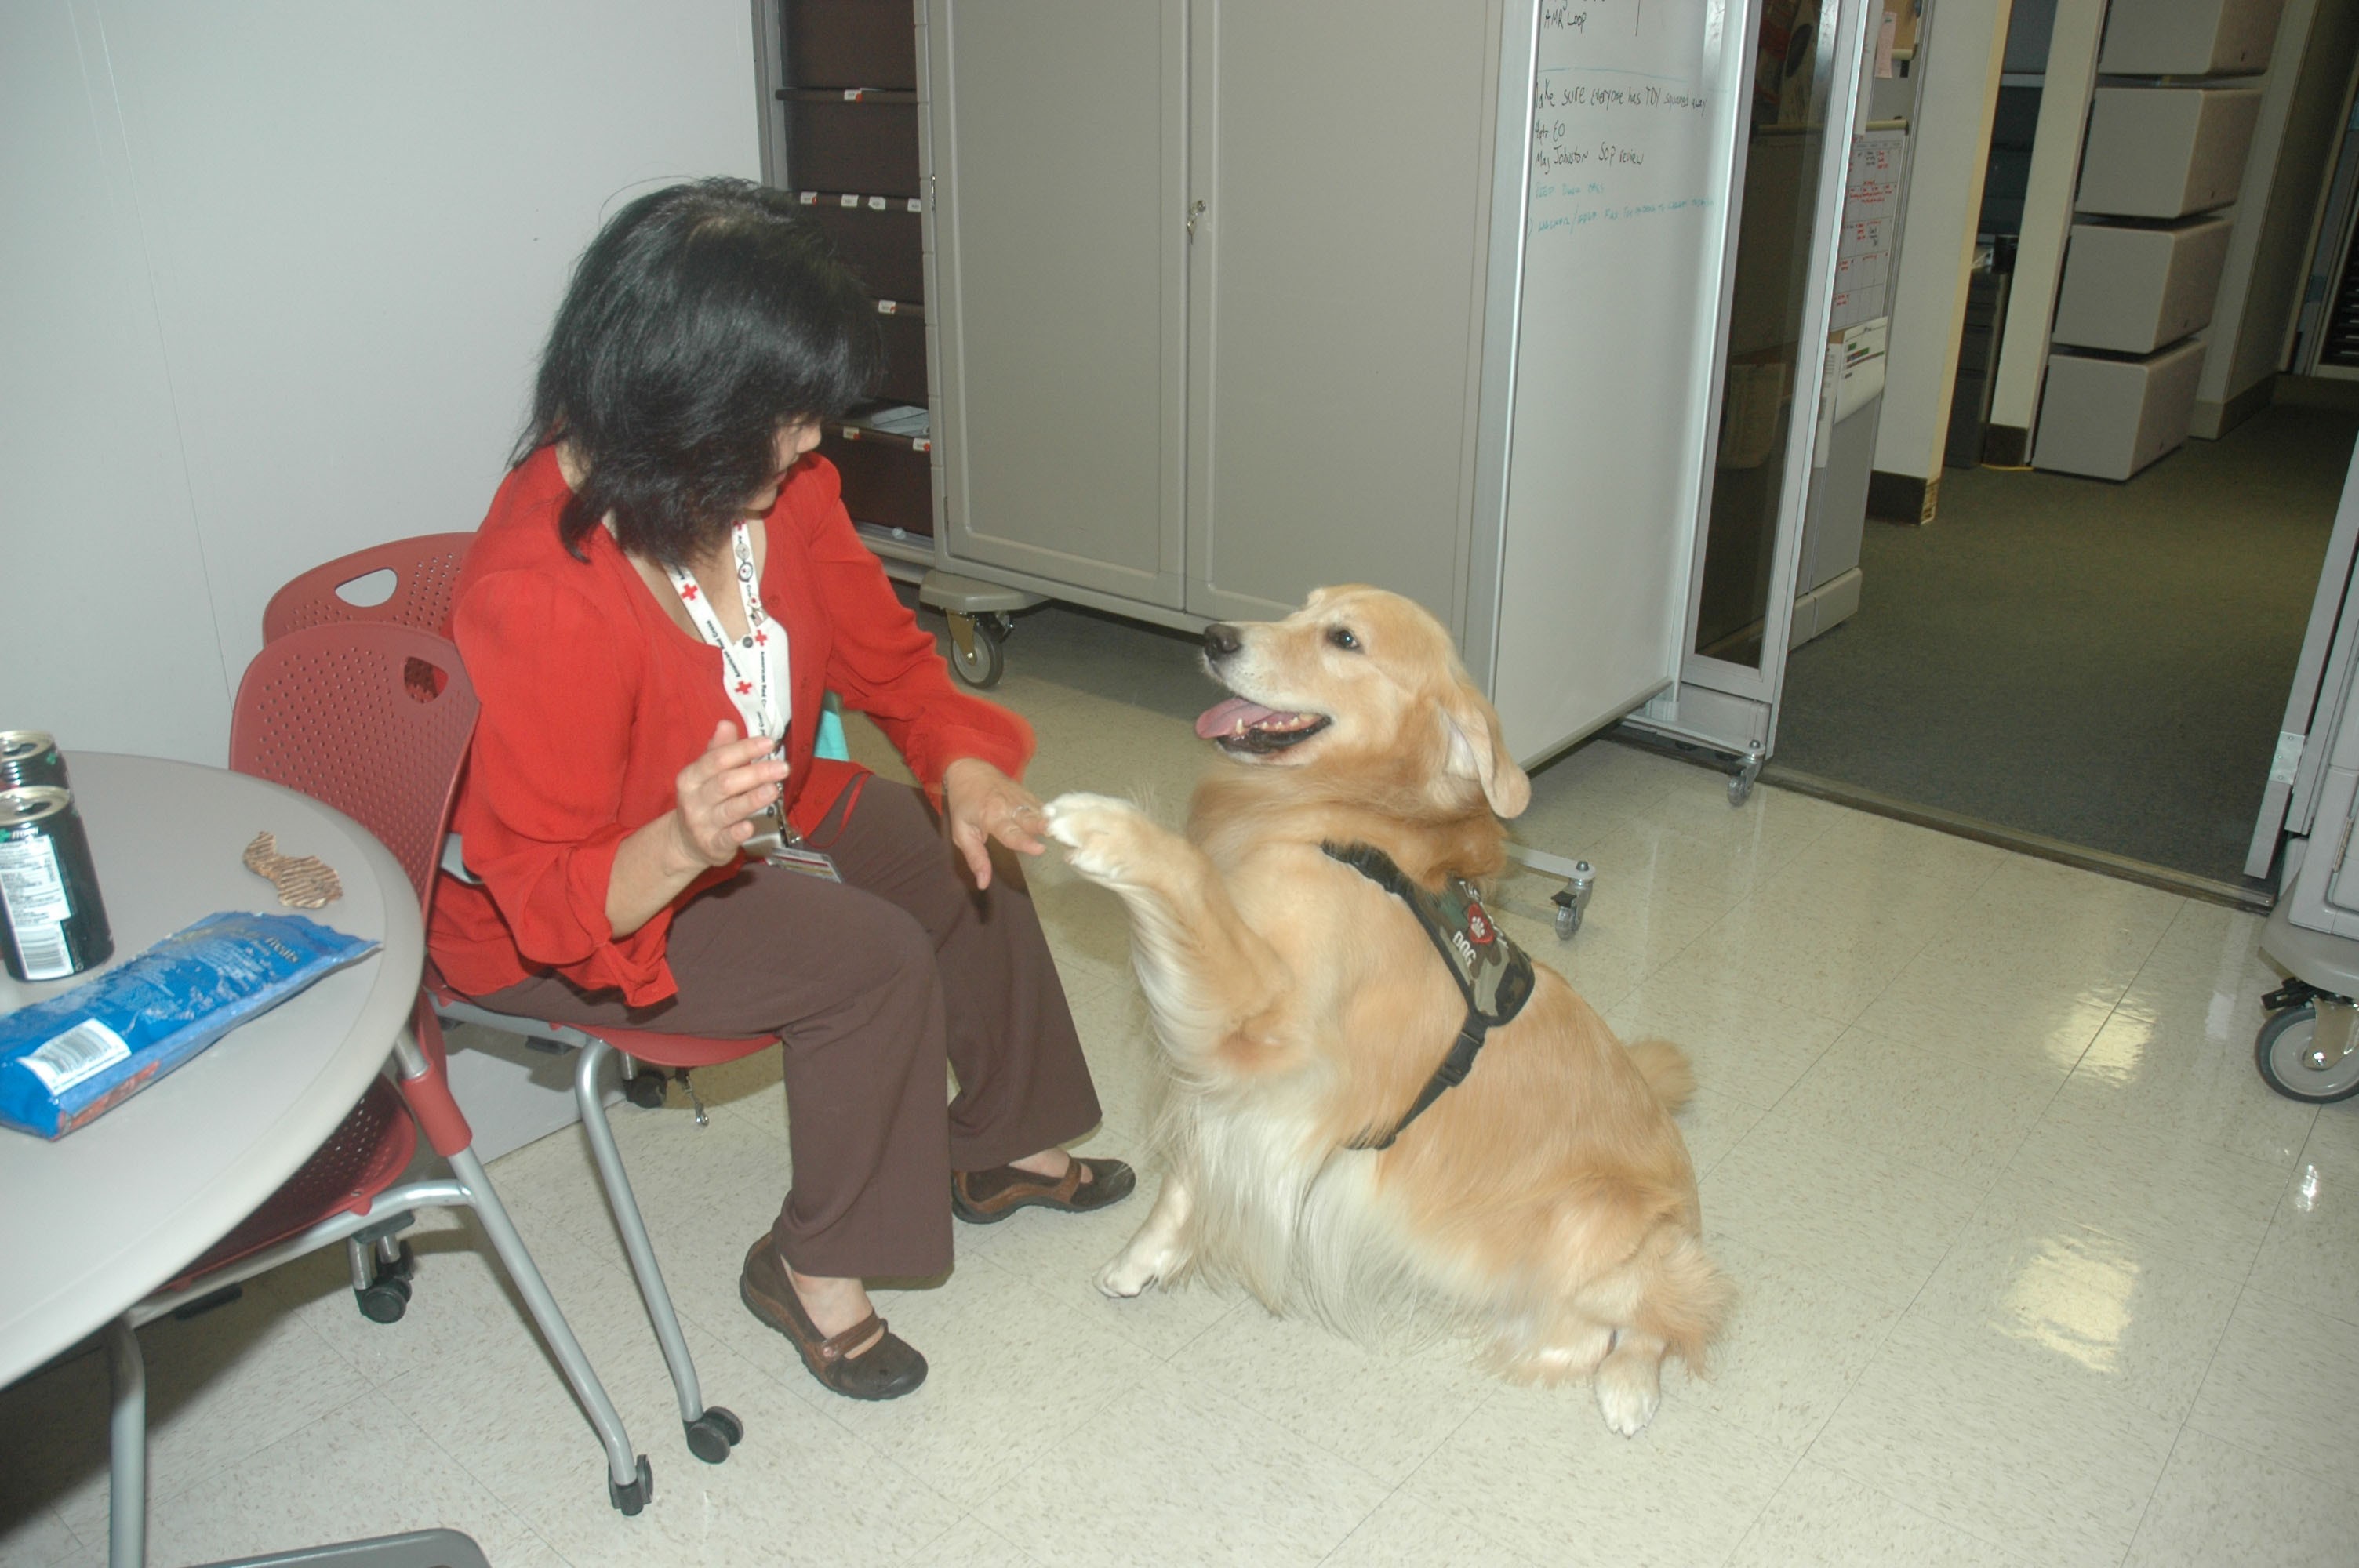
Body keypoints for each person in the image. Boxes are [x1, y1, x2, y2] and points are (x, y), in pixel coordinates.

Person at [428, 178, 1131, 1402]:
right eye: (787, 415)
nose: (815, 442)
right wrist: (686, 841)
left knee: (958, 855)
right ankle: (811, 1268)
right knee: (867, 958)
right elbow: (543, 886)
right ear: (683, 403)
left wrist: (962, 765)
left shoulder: (779, 492)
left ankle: (1002, 1143)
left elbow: (884, 656)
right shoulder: (539, 591)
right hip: (599, 898)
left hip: (755, 815)